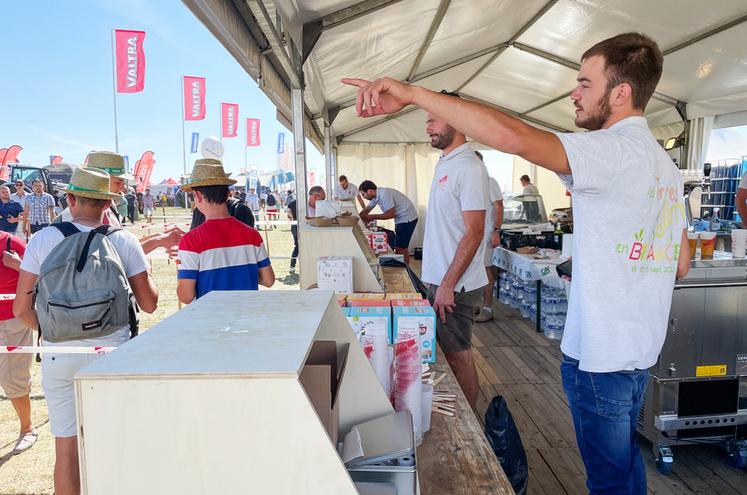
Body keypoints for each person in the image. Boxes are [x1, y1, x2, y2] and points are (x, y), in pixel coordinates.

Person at [342, 31, 691, 494]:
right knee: (625, 467)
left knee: (609, 480)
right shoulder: (664, 165)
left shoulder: (610, 150)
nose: (574, 93)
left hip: (601, 353)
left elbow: (514, 137)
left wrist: (409, 93)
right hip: (639, 349)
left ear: (621, 92)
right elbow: (681, 262)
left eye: (586, 83)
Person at [14, 166, 158, 495]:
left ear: (70, 198)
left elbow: (20, 309)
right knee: (117, 446)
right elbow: (149, 304)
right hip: (113, 353)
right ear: (108, 204)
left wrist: (53, 328)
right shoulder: (123, 241)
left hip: (59, 355)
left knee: (66, 450)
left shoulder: (43, 239)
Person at [177, 159, 274, 304]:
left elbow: (186, 296)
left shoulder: (191, 240)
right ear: (228, 193)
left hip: (210, 321)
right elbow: (268, 280)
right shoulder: (252, 234)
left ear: (197, 195)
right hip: (247, 318)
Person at [55, 152, 183, 255]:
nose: (123, 188)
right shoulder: (74, 217)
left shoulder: (109, 208)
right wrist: (158, 241)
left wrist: (160, 236)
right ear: (100, 179)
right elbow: (116, 256)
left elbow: (121, 245)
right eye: (118, 181)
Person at [0, 231, 37, 455]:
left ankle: (27, 428)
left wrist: (18, 265)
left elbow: (42, 277)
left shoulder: (12, 243)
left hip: (12, 321)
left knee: (12, 378)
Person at [474, 151, 504, 323]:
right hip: (475, 234)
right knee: (475, 270)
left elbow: (499, 206)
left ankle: (488, 308)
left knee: (486, 270)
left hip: (486, 233)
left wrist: (496, 230)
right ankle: (477, 304)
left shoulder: (489, 181)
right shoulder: (474, 183)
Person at [358, 180, 418, 264]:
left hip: (407, 218)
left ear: (370, 191)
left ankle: (405, 270)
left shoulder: (384, 194)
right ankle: (403, 267)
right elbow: (365, 211)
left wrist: (372, 217)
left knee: (401, 247)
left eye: (363, 194)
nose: (363, 197)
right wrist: (357, 220)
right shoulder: (376, 196)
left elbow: (390, 214)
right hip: (401, 218)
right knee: (400, 246)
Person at [286, 196, 299, 270]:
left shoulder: (292, 202)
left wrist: (293, 216)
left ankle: (292, 265)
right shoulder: (306, 202)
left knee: (297, 246)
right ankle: (292, 265)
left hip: (294, 225)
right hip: (297, 225)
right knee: (298, 246)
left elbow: (287, 210)